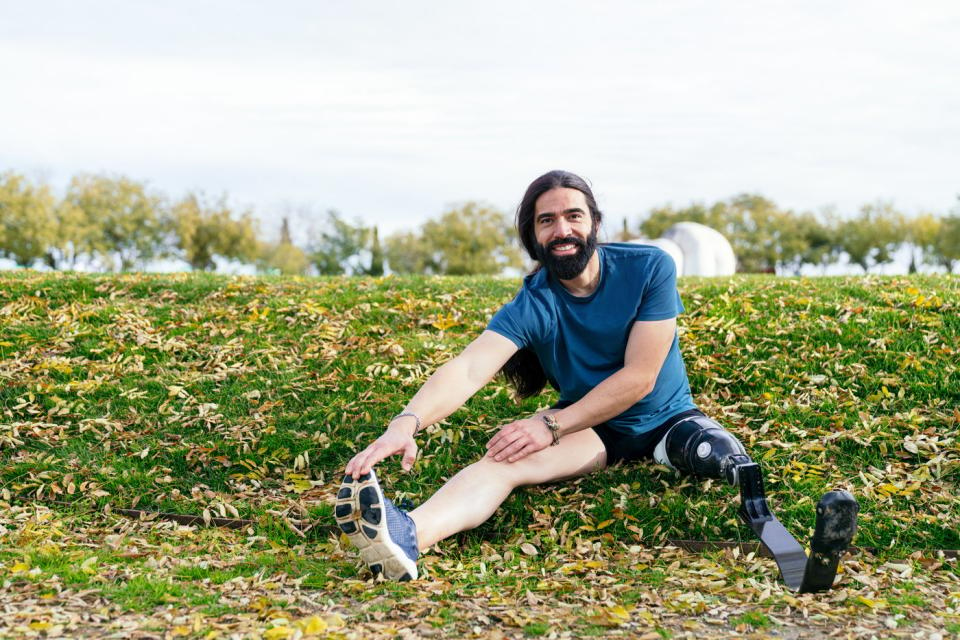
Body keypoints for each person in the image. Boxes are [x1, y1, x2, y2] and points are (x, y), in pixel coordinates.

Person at [336, 170, 744, 581]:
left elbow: (640, 378)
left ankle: (684, 457)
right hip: (593, 426)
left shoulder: (648, 268)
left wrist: (550, 424)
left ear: (594, 223)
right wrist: (405, 423)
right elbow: (468, 369)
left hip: (667, 419)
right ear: (533, 236)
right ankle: (407, 536)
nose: (562, 229)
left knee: (718, 452)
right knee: (503, 462)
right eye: (546, 220)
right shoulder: (533, 302)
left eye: (573, 216)